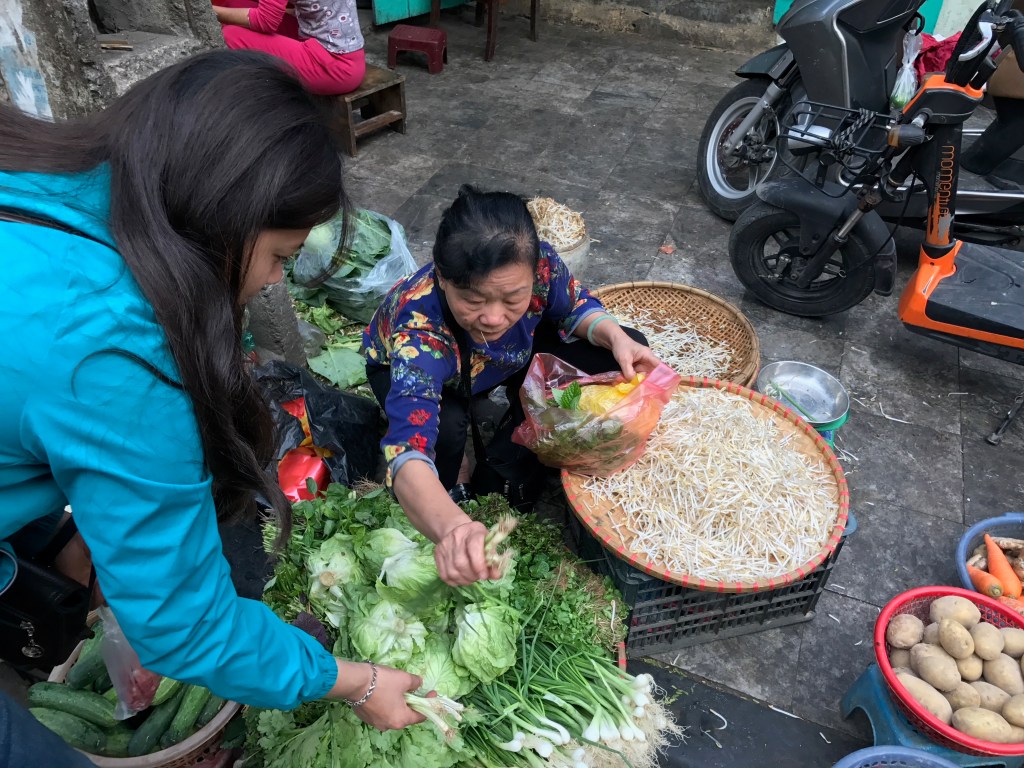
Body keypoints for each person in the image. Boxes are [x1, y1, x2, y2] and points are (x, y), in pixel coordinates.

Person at [0, 50, 422, 766]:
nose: (268, 283)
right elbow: (185, 628)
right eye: (280, 255)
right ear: (224, 219)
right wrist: (358, 681)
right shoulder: (117, 354)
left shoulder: (43, 171)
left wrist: (50, 534)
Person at [362, 186, 662, 587]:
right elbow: (407, 450)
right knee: (447, 428)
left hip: (500, 359)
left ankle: (524, 433)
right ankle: (453, 489)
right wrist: (453, 529)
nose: (493, 317)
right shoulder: (419, 333)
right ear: (442, 276)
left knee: (622, 351)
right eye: (473, 299)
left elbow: (574, 306)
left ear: (534, 270)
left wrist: (615, 336)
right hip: (427, 374)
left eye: (512, 297)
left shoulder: (542, 267)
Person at [213, 0, 366, 95]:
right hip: (322, 43)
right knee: (236, 4)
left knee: (231, 35)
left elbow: (265, 21)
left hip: (337, 66)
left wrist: (211, 12)